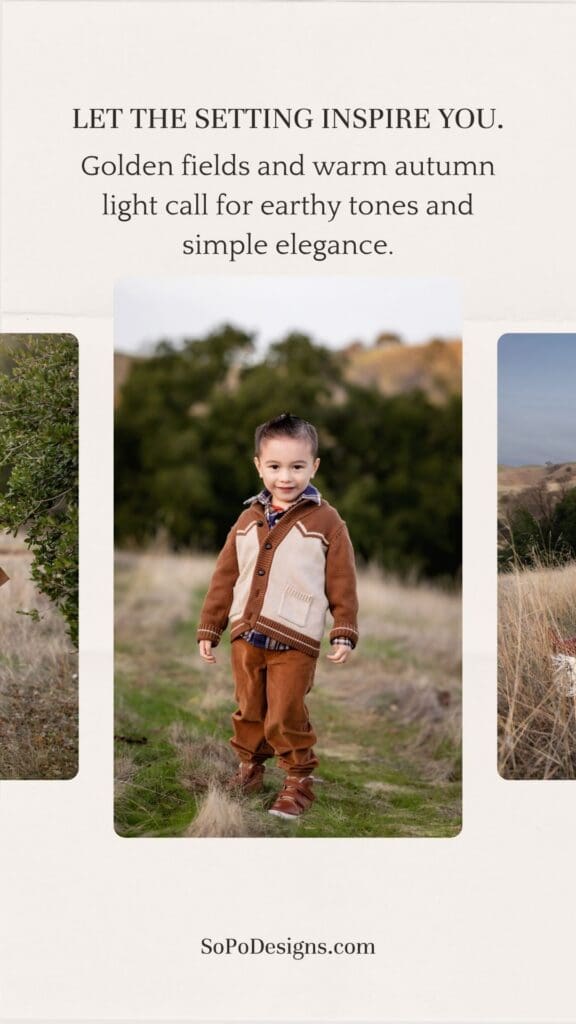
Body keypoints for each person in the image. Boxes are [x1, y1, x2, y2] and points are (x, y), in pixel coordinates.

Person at [197, 412, 359, 820]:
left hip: (296, 638)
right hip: (247, 634)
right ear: (258, 465)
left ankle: (298, 780)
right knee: (249, 707)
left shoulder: (327, 522)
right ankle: (250, 768)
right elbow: (225, 576)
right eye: (274, 466)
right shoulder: (247, 519)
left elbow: (342, 581)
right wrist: (211, 625)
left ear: (314, 466)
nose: (285, 477)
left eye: (297, 466)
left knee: (286, 710)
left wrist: (343, 629)